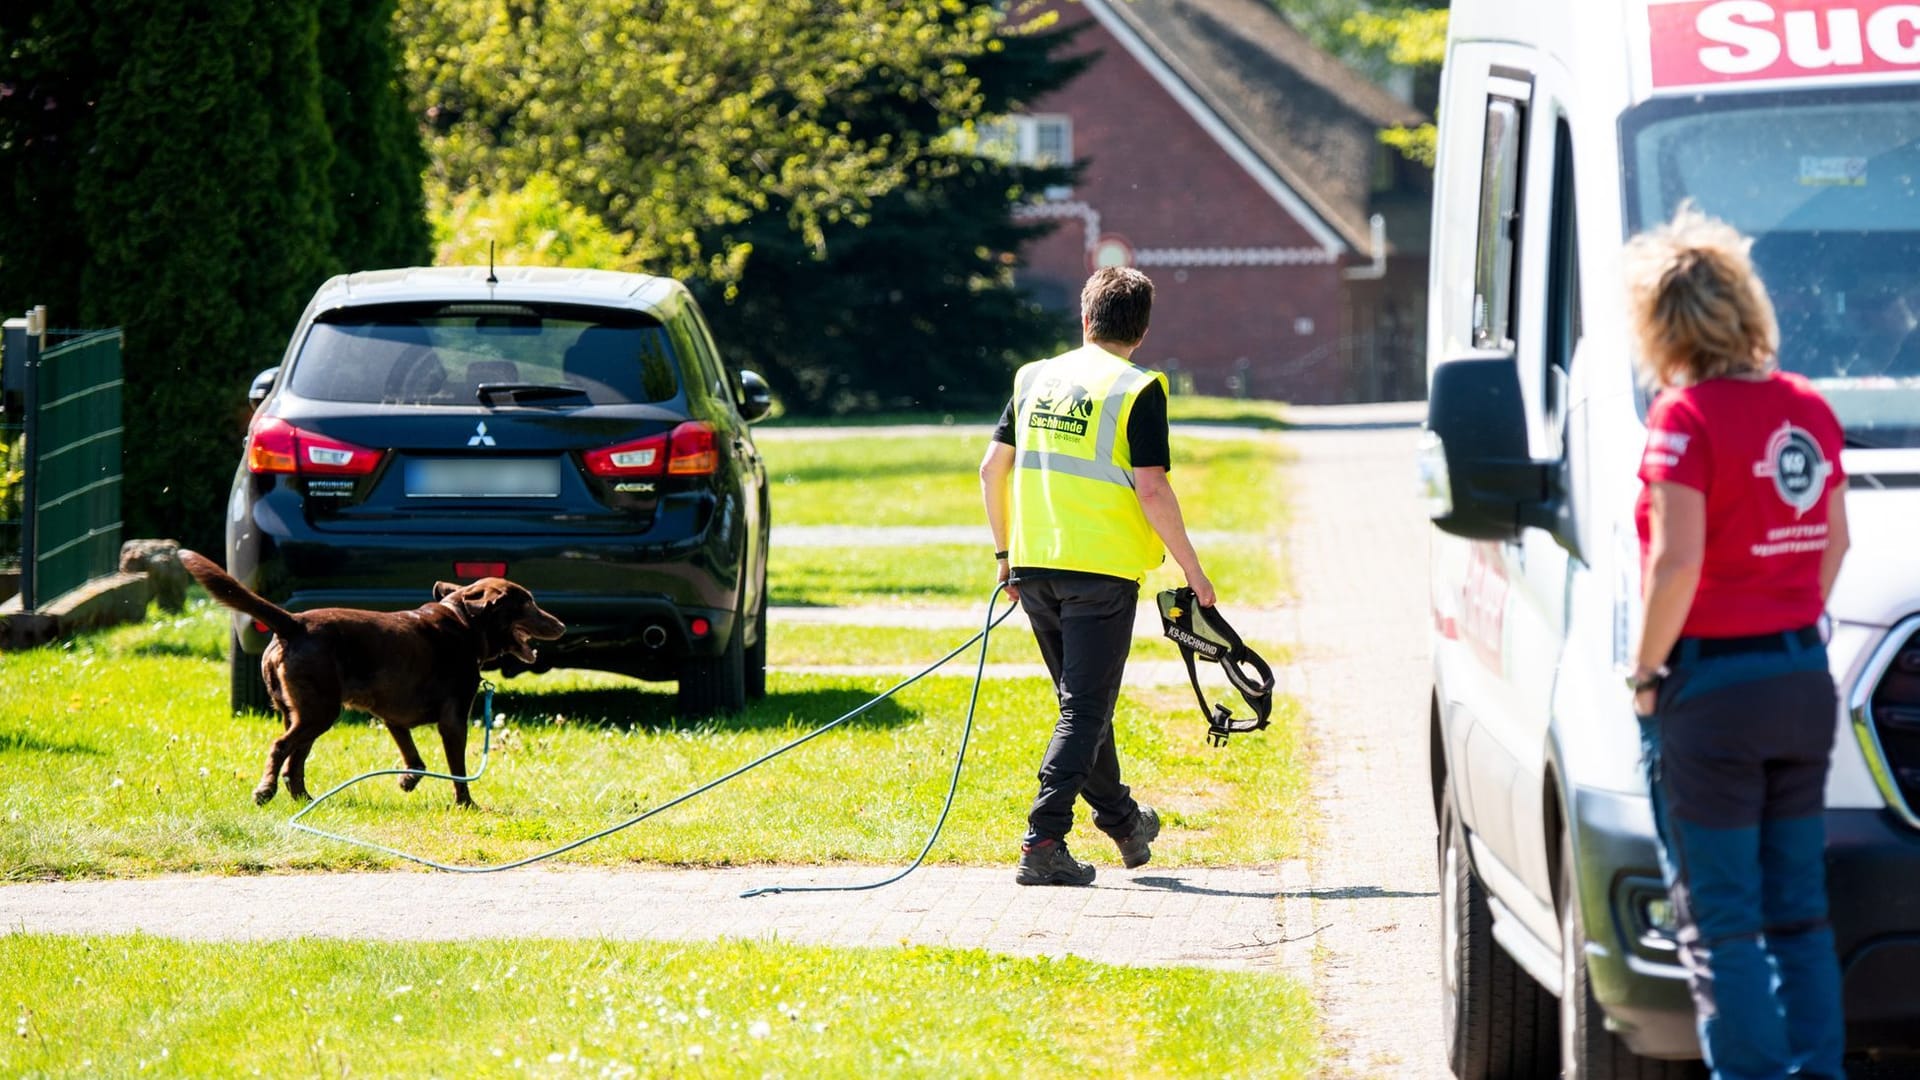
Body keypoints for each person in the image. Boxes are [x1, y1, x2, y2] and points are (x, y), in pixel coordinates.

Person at [1627, 205, 1851, 1079]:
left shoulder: (1683, 419)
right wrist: (1785, 615)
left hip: (1711, 693)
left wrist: (1645, 672)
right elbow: (1835, 546)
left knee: (1722, 922)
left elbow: (1674, 565)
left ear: (1662, 321)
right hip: (1799, 680)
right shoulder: (1808, 407)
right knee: (1798, 911)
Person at [978, 267, 1216, 887]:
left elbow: (989, 471)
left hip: (1033, 567)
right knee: (1085, 706)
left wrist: (1005, 556)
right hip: (1101, 570)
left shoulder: (1034, 378)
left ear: (1085, 319)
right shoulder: (1138, 388)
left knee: (1081, 705)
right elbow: (1153, 486)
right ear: (1141, 330)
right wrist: (1194, 570)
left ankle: (1123, 823)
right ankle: (1043, 838)